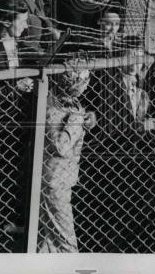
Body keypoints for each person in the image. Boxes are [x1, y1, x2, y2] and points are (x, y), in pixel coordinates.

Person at [38, 60, 97, 253]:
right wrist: (78, 119)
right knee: (67, 241)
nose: (87, 84)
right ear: (72, 83)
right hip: (54, 181)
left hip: (64, 178)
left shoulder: (72, 102)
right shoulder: (51, 106)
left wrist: (85, 117)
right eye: (84, 80)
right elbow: (61, 146)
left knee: (49, 238)